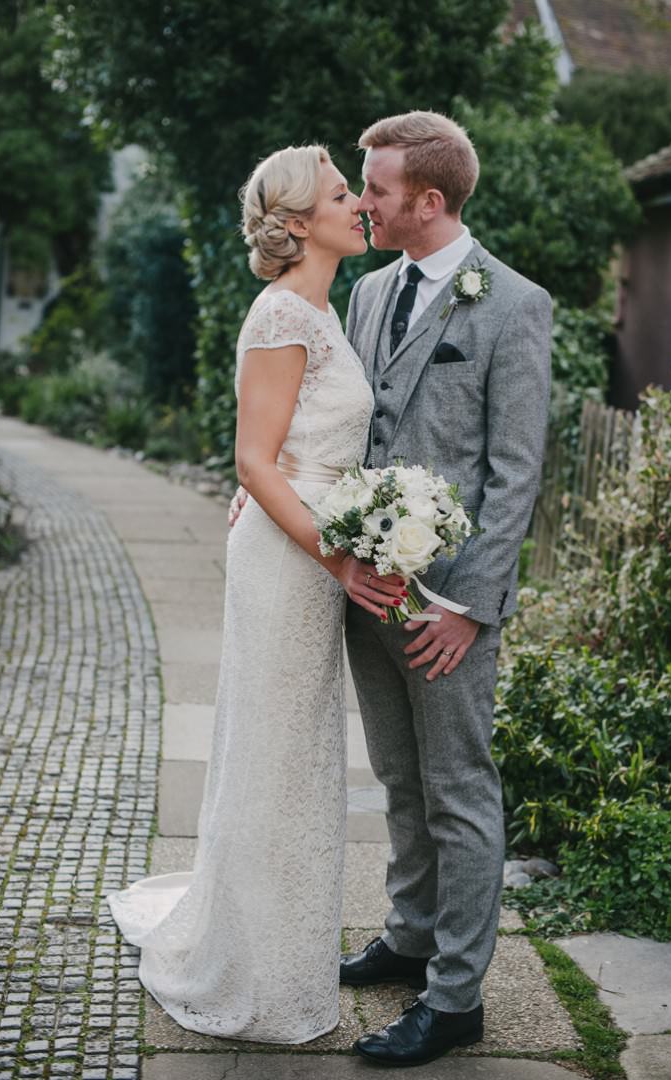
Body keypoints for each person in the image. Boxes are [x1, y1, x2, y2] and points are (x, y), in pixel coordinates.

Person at [230, 110, 552, 1068]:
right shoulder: (365, 293)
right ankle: (411, 938)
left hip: (449, 606)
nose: (362, 202)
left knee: (458, 787)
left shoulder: (514, 306)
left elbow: (515, 472)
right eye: (355, 187)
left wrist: (471, 606)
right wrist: (273, 499)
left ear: (430, 200)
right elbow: (331, 429)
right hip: (366, 591)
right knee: (401, 782)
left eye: (374, 189)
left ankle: (456, 999)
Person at [107, 144, 406, 1043]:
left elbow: (304, 449)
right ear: (300, 221)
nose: (357, 204)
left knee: (295, 756)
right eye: (342, 193)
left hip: (305, 549)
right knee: (276, 754)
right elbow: (253, 458)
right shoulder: (282, 315)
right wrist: (339, 558)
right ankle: (252, 967)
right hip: (291, 562)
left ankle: (277, 948)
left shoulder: (322, 309)